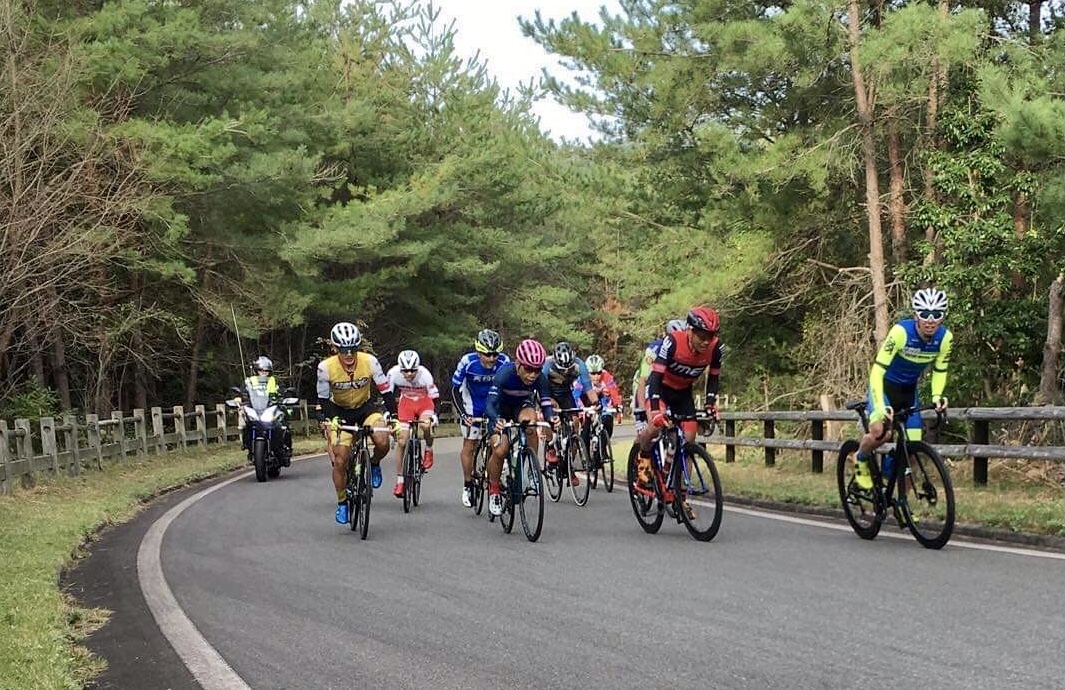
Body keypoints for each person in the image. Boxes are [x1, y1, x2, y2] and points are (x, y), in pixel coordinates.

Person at [852, 289, 953, 490]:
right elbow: (877, 372)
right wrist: (880, 407)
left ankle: (902, 506)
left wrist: (937, 396)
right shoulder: (901, 332)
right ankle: (860, 458)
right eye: (924, 314)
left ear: (943, 316)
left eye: (937, 314)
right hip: (884, 388)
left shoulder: (945, 338)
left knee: (912, 451)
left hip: (908, 392)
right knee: (881, 433)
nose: (930, 320)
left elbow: (940, 370)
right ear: (916, 315)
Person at [634, 307, 724, 518]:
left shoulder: (716, 348)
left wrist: (710, 403)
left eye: (710, 336)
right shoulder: (672, 342)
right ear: (690, 331)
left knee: (689, 440)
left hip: (683, 393)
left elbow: (714, 376)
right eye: (701, 335)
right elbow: (654, 377)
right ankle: (644, 460)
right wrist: (655, 410)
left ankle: (680, 494)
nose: (705, 341)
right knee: (655, 428)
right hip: (661, 389)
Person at [315, 321, 398, 525]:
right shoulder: (325, 368)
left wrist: (393, 415)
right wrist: (332, 417)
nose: (349, 354)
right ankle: (342, 502)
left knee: (382, 440)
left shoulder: (370, 361)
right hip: (339, 411)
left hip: (365, 408)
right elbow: (323, 399)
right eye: (344, 350)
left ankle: (375, 463)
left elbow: (385, 391)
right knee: (340, 460)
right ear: (335, 348)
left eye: (353, 349)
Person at [484, 339, 558, 517]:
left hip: (522, 406)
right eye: (528, 369)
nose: (533, 374)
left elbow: (546, 402)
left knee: (531, 425)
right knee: (501, 450)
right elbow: (490, 404)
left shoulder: (540, 378)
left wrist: (551, 418)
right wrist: (495, 420)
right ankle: (494, 489)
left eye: (537, 369)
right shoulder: (505, 374)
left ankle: (532, 468)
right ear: (518, 364)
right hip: (500, 408)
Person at [450, 329, 510, 507]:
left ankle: (495, 482)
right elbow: (455, 389)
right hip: (472, 404)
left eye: (494, 354)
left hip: (494, 403)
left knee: (497, 443)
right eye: (487, 354)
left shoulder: (505, 362)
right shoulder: (467, 362)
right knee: (470, 444)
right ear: (478, 351)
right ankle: (468, 483)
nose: (491, 358)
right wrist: (463, 414)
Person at [386, 349, 440, 498]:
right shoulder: (393, 373)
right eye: (406, 371)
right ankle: (400, 480)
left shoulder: (425, 375)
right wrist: (390, 414)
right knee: (402, 441)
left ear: (417, 368)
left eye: (412, 371)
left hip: (424, 402)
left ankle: (428, 448)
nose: (409, 374)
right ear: (400, 368)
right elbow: (387, 395)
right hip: (406, 404)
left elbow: (435, 398)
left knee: (425, 425)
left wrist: (435, 415)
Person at [542, 342, 599, 475]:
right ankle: (550, 446)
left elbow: (588, 388)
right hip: (548, 393)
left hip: (566, 394)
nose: (565, 371)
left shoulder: (580, 365)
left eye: (568, 368)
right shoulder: (547, 365)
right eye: (561, 368)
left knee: (575, 423)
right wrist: (548, 405)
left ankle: (568, 466)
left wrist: (596, 403)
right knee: (551, 414)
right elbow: (541, 389)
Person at [631, 319, 687, 433]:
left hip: (665, 388)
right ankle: (640, 448)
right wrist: (642, 408)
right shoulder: (655, 349)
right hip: (645, 385)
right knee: (648, 430)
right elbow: (643, 379)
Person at [239, 356, 292, 465]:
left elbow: (284, 391)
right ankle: (248, 446)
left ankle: (284, 449)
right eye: (261, 370)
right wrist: (238, 398)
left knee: (282, 425)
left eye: (266, 370)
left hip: (272, 408)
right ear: (256, 370)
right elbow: (242, 393)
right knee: (246, 425)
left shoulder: (275, 381)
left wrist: (284, 397)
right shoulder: (249, 381)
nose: (264, 372)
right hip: (255, 409)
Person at [575, 353, 623, 437]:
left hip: (601, 399)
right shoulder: (582, 377)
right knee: (585, 427)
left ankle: (603, 444)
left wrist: (618, 407)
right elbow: (575, 396)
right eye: (592, 373)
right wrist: (581, 410)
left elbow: (614, 392)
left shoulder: (606, 376)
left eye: (599, 373)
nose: (596, 376)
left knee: (607, 418)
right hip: (585, 400)